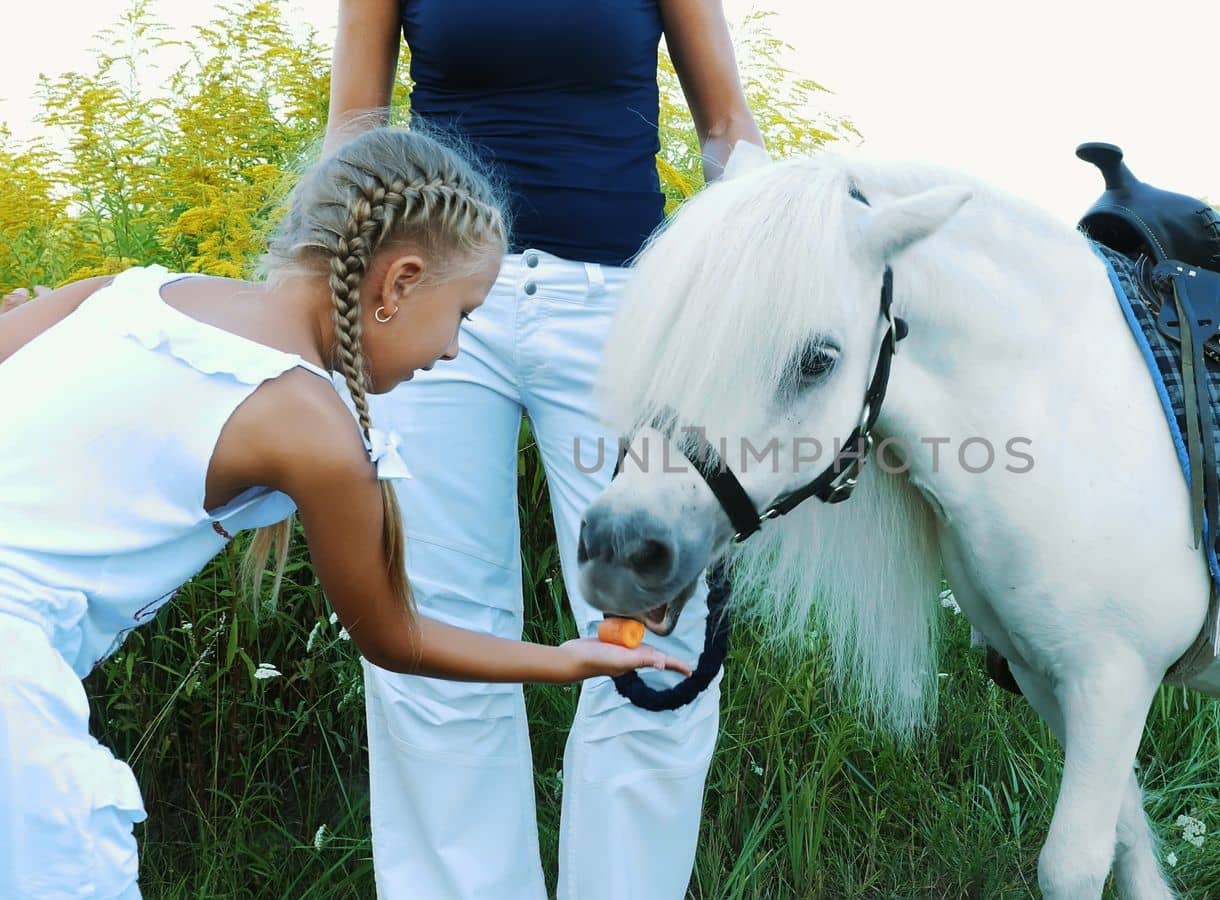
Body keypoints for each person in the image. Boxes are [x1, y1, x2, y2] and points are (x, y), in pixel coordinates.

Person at [0, 126, 689, 900]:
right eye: (463, 313)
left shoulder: (128, 289)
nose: (457, 351)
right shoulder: (311, 424)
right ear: (397, 284)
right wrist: (566, 659)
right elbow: (396, 637)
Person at [325, 2, 764, 897]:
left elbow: (725, 129)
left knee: (654, 638)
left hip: (619, 310)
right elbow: (356, 129)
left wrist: (761, 282)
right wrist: (322, 303)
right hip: (428, 297)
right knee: (433, 635)